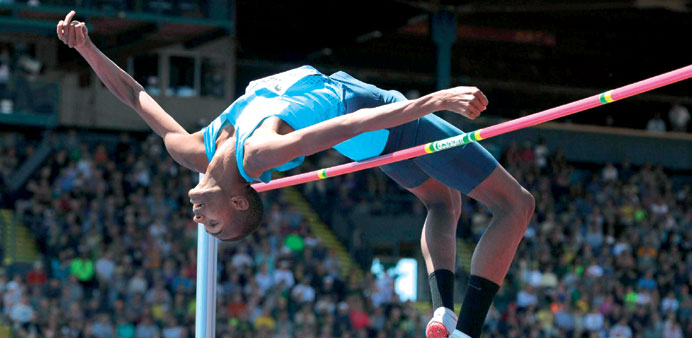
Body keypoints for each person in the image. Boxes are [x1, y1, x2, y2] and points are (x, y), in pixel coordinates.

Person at [57, 10, 534, 338]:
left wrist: (88, 49)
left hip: (369, 126)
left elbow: (136, 96)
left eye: (208, 227)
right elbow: (350, 123)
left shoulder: (194, 149)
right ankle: (468, 329)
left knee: (441, 202)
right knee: (517, 205)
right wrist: (436, 100)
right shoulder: (258, 154)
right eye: (215, 224)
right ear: (239, 200)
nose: (200, 221)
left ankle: (444, 312)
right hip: (381, 118)